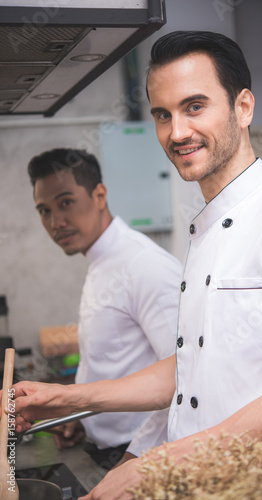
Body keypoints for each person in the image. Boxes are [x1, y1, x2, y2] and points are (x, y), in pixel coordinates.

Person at [4, 30, 262, 500]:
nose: (176, 132)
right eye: (163, 114)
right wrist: (68, 399)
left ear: (243, 108)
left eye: (194, 106)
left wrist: (158, 461)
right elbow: (193, 366)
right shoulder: (205, 232)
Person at [25, 148, 182, 468]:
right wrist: (84, 419)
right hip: (107, 448)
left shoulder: (144, 265)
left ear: (99, 195)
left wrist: (133, 460)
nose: (56, 221)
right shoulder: (101, 260)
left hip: (145, 455)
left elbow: (187, 378)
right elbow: (115, 363)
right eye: (44, 210)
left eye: (66, 202)